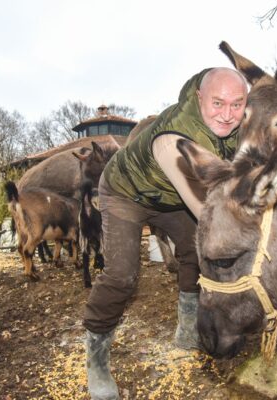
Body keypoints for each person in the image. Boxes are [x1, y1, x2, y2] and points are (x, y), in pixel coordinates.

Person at [83, 67, 248, 400]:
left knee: (195, 252)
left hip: (169, 199)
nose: (228, 114)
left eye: (237, 104)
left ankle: (187, 328)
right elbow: (206, 211)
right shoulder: (172, 140)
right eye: (218, 103)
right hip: (126, 192)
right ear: (199, 98)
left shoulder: (240, 116)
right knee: (121, 275)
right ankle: (96, 356)